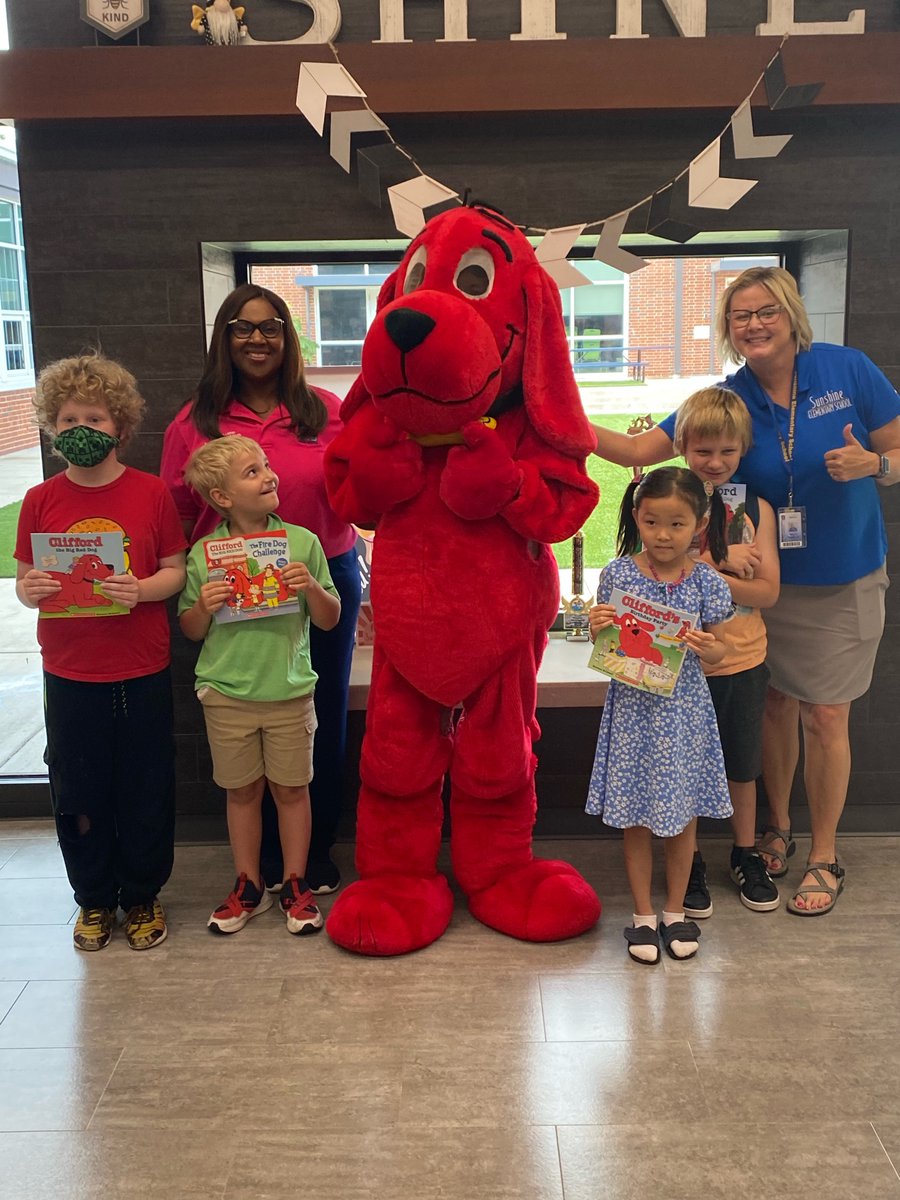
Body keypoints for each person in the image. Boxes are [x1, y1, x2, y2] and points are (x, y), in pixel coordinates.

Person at [591, 266, 900, 915]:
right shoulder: (728, 399)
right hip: (758, 589)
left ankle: (824, 854)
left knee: (827, 714)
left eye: (766, 311)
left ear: (791, 313)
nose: (754, 324)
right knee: (774, 707)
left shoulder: (848, 370)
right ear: (730, 329)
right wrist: (547, 412)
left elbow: (898, 447)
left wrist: (878, 465)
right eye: (740, 315)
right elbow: (635, 447)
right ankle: (775, 831)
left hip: (840, 578)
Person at [160, 283, 361, 894]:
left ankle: (313, 852)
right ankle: (260, 857)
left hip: (321, 575)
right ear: (223, 339)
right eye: (241, 328)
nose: (256, 339)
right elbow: (171, 511)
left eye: (270, 326)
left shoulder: (325, 411)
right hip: (231, 588)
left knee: (317, 714)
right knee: (248, 709)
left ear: (287, 338)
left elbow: (361, 492)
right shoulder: (194, 422)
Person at [14, 354, 187, 952]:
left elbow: (176, 571)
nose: (80, 428)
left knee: (145, 784)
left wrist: (140, 590)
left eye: (94, 416)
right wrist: (29, 588)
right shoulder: (40, 499)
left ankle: (141, 894)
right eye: (66, 419)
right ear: (50, 426)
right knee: (79, 787)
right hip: (70, 670)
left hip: (141, 666)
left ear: (120, 425)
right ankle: (92, 899)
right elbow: (26, 577)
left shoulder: (152, 493)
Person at [177, 435, 341, 935]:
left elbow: (331, 619)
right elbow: (189, 628)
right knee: (241, 790)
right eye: (252, 472)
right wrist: (204, 604)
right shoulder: (205, 554)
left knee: (293, 789)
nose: (269, 475)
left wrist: (310, 586)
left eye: (266, 465)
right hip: (226, 695)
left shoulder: (303, 543)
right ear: (221, 498)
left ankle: (295, 883)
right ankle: (248, 884)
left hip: (290, 691)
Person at [586, 467, 735, 964]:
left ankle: (675, 910)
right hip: (633, 714)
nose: (663, 535)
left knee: (682, 820)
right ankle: (643, 915)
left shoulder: (707, 581)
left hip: (685, 716)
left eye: (677, 523)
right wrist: (596, 625)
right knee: (634, 817)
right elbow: (606, 646)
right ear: (636, 517)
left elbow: (720, 654)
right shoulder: (618, 574)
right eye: (652, 522)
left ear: (700, 524)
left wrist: (708, 646)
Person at [672, 387, 781, 917]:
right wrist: (721, 563)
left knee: (742, 764)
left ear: (743, 450)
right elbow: (653, 583)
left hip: (741, 658)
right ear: (682, 447)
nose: (714, 463)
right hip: (681, 662)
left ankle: (744, 852)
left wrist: (702, 568)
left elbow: (767, 592)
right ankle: (686, 858)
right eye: (702, 451)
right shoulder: (667, 506)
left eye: (726, 452)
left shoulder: (755, 508)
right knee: (687, 767)